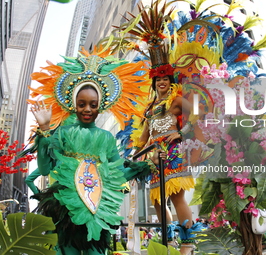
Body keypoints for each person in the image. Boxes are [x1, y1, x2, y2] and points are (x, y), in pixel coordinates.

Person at [28, 52, 165, 255]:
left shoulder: (107, 138)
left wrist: (149, 165)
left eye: (93, 105)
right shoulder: (63, 133)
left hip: (97, 209)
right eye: (82, 104)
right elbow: (47, 167)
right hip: (66, 208)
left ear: (100, 105)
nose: (87, 109)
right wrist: (45, 130)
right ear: (73, 104)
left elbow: (117, 173)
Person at [137, 72, 199, 255]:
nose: (161, 82)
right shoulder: (149, 109)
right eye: (158, 80)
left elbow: (198, 112)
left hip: (173, 151)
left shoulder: (176, 100)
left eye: (165, 79)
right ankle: (169, 240)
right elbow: (143, 137)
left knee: (176, 197)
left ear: (170, 83)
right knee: (157, 200)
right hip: (156, 156)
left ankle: (187, 243)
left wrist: (182, 132)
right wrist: (135, 156)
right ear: (154, 83)